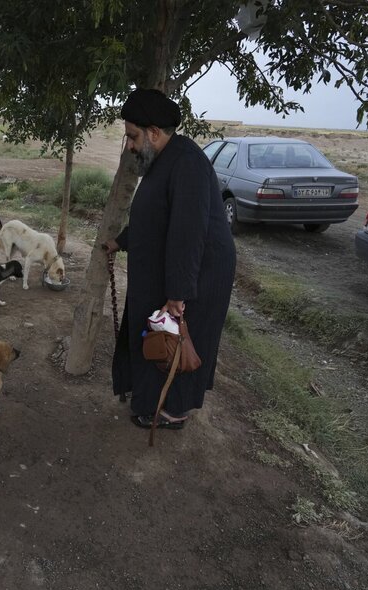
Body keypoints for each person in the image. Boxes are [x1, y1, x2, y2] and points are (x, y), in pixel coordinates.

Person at [103, 88, 236, 430]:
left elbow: (187, 233)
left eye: (133, 137)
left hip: (199, 273)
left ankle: (174, 411)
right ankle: (150, 398)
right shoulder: (165, 159)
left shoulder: (187, 163)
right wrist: (121, 241)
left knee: (182, 343)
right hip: (176, 268)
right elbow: (156, 216)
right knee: (158, 339)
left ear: (154, 133)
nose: (130, 146)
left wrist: (178, 294)